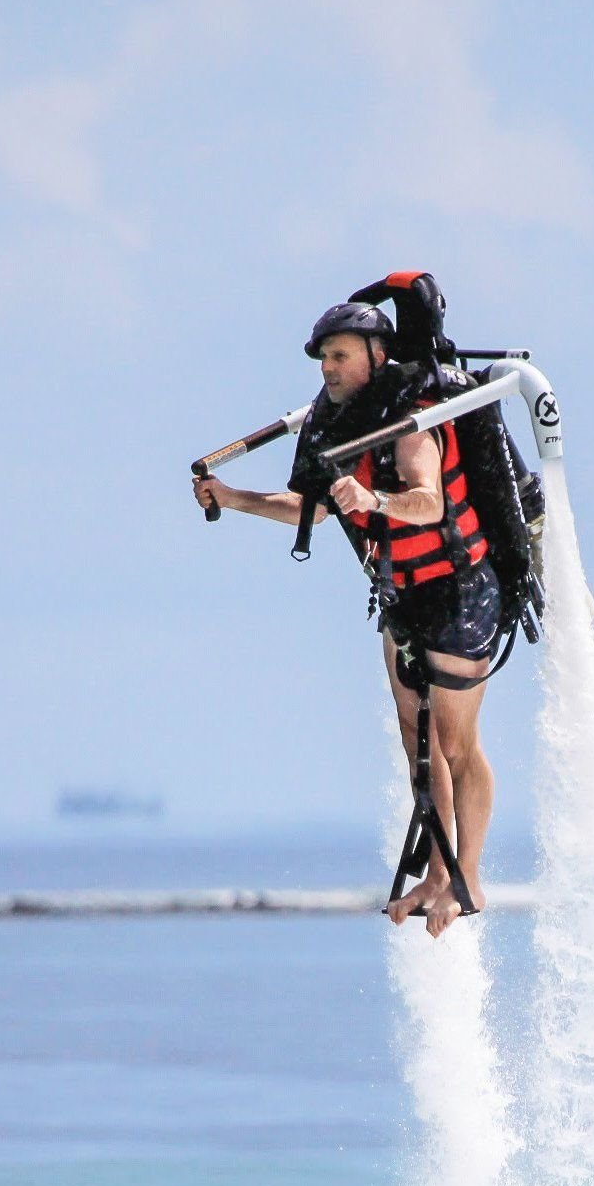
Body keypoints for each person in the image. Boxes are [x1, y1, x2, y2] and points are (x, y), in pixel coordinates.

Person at [192, 302, 499, 937]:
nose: (328, 368)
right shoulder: (331, 427)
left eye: (341, 356)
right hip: (401, 596)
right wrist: (232, 498)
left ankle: (468, 878)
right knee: (418, 746)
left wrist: (375, 497)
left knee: (453, 741)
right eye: (324, 357)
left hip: (459, 588)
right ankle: (436, 875)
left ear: (376, 357)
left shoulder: (412, 421)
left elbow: (426, 501)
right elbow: (309, 508)